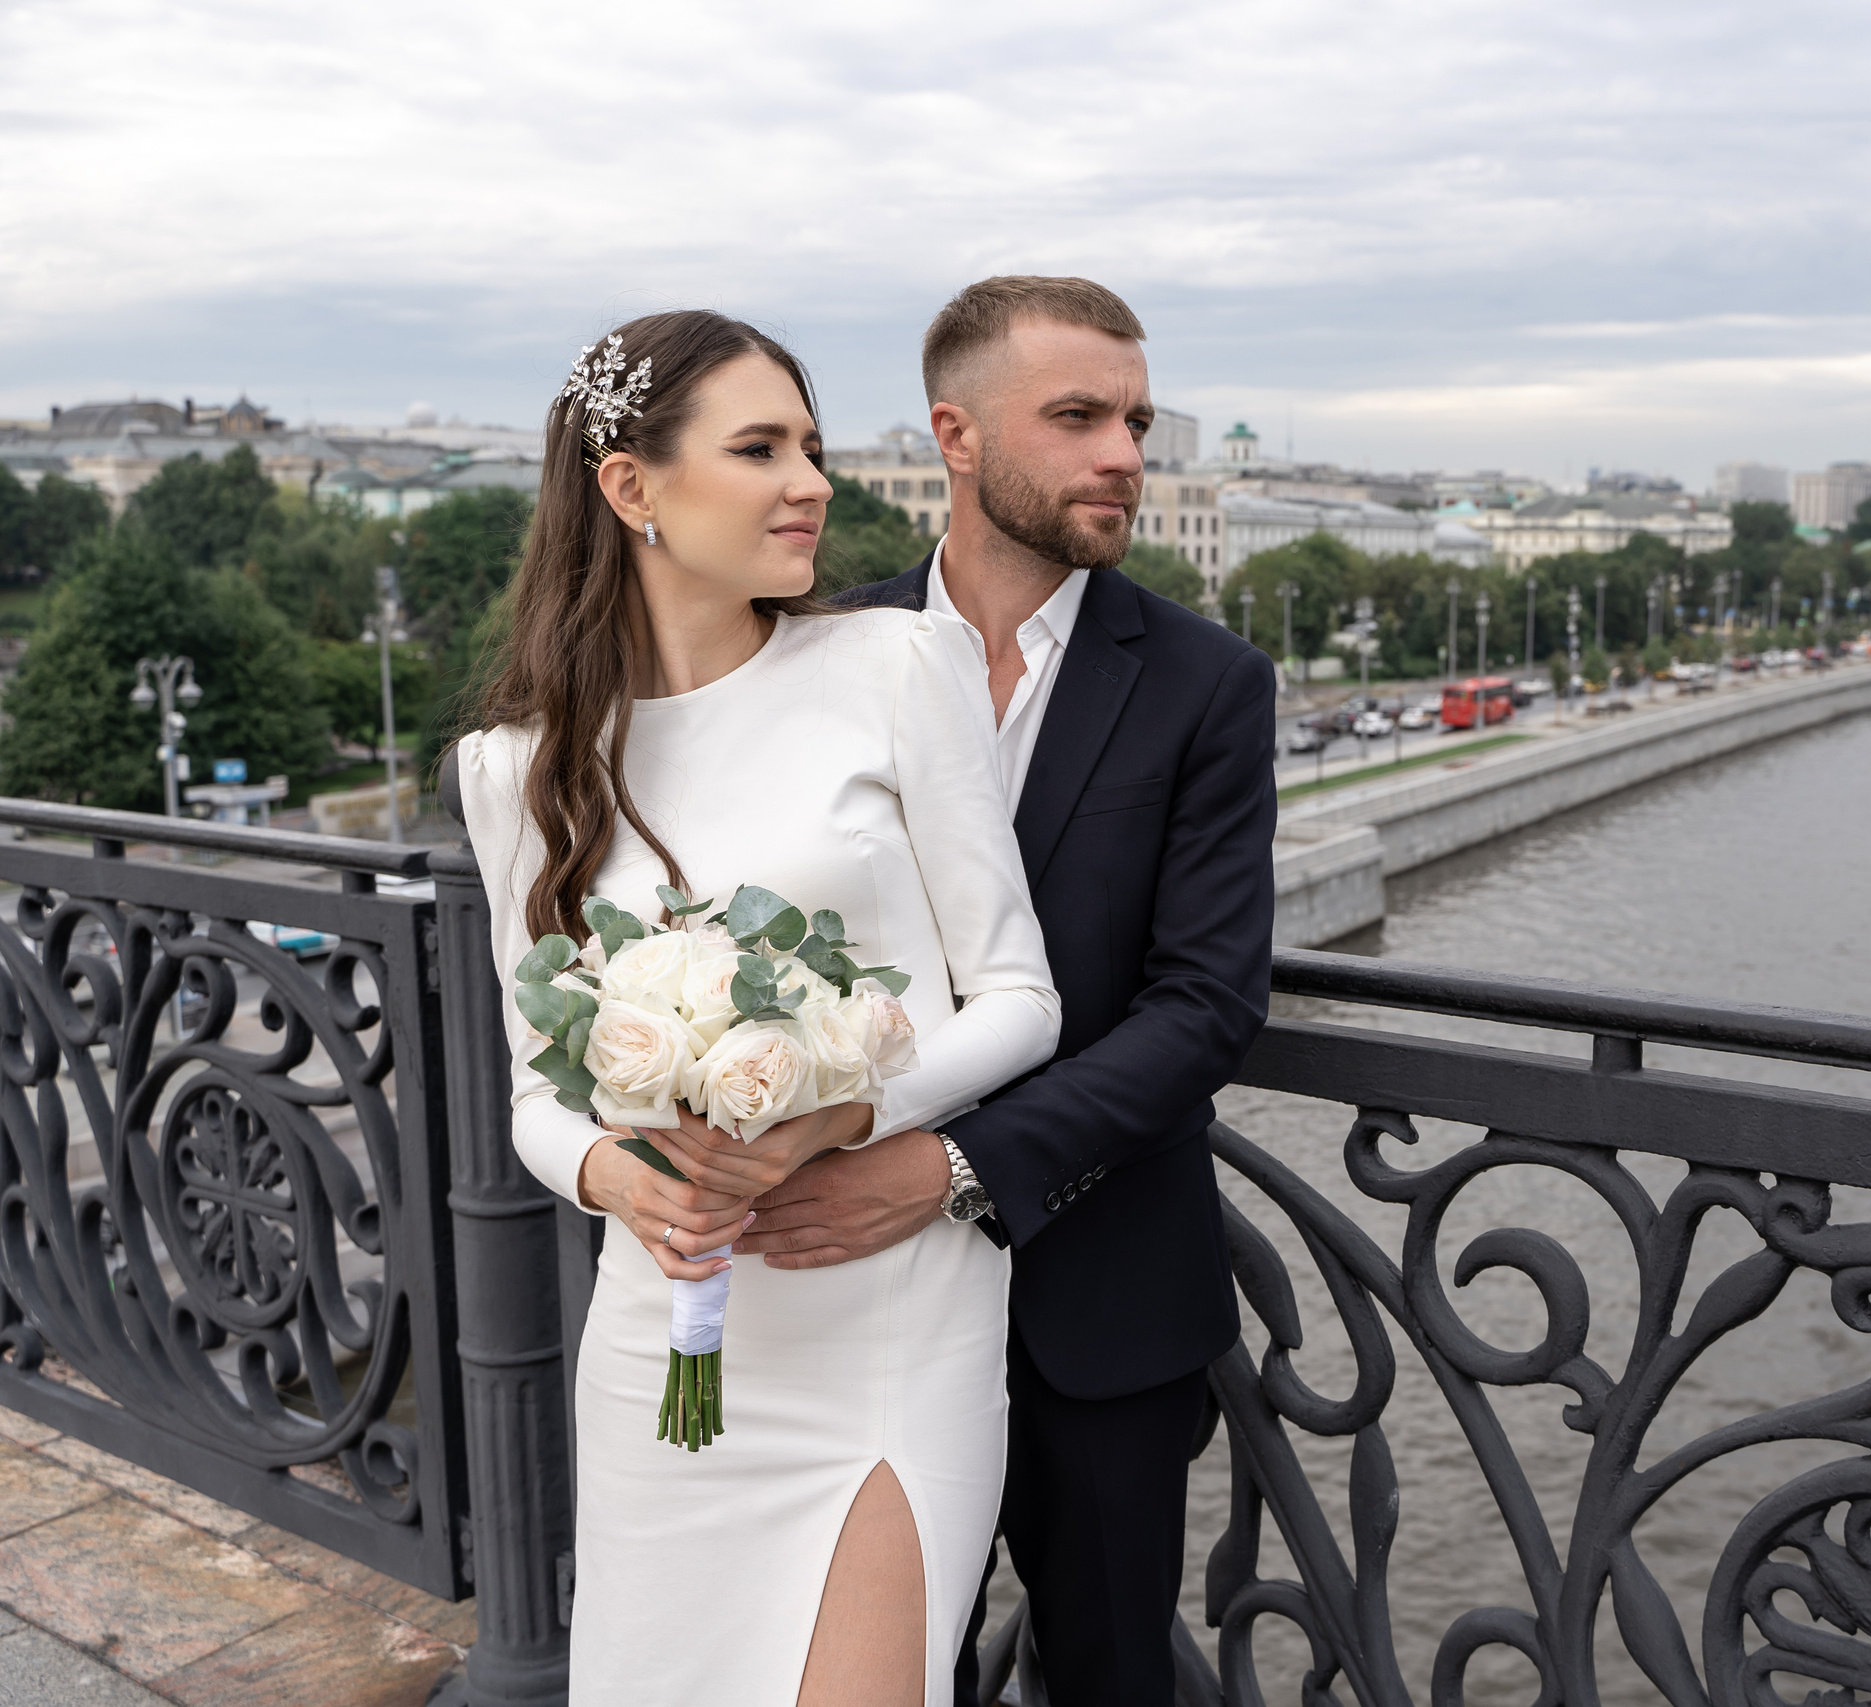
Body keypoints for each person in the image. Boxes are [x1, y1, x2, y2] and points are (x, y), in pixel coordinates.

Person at [457, 309, 1061, 1706]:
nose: (815, 482)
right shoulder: (516, 768)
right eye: (760, 448)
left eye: (812, 445)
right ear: (631, 488)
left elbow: (1023, 999)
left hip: (888, 1324)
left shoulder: (896, 667)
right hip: (663, 1337)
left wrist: (851, 1106)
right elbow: (536, 1101)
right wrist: (625, 1176)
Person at [733, 276, 1277, 1706]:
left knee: (1105, 1678)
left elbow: (1207, 1006)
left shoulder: (1208, 684)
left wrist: (950, 1166)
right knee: (867, 1674)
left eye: (1139, 422)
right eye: (1080, 417)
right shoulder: (806, 654)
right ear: (957, 437)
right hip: (852, 1306)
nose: (1127, 455)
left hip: (1101, 1312)